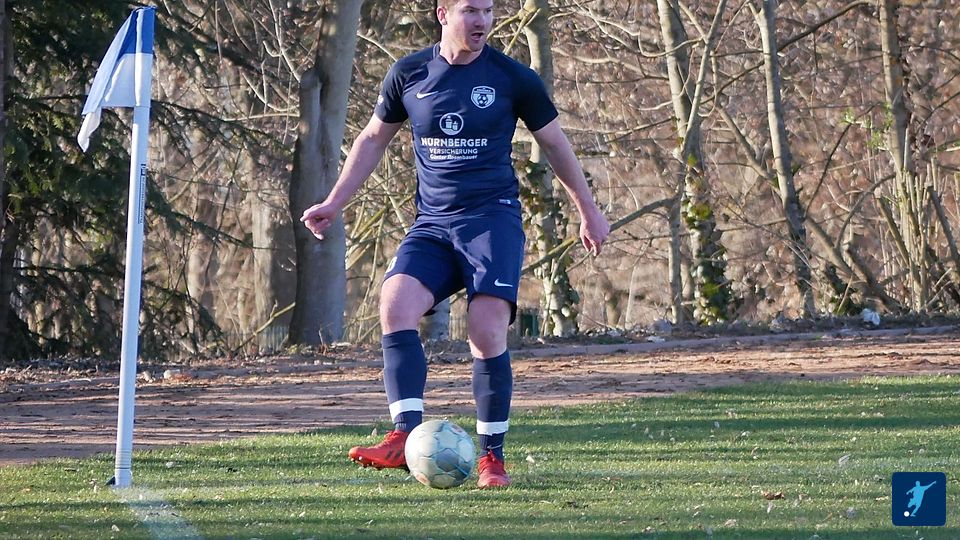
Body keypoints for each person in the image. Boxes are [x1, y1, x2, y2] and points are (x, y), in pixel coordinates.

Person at [300, 0, 610, 489]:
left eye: (488, 10)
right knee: (395, 303)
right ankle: (403, 434)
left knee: (485, 330)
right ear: (442, 13)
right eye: (470, 10)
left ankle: (492, 459)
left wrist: (588, 210)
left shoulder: (513, 78)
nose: (482, 21)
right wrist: (334, 202)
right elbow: (373, 138)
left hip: (491, 222)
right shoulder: (409, 73)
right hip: (433, 225)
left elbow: (554, 143)